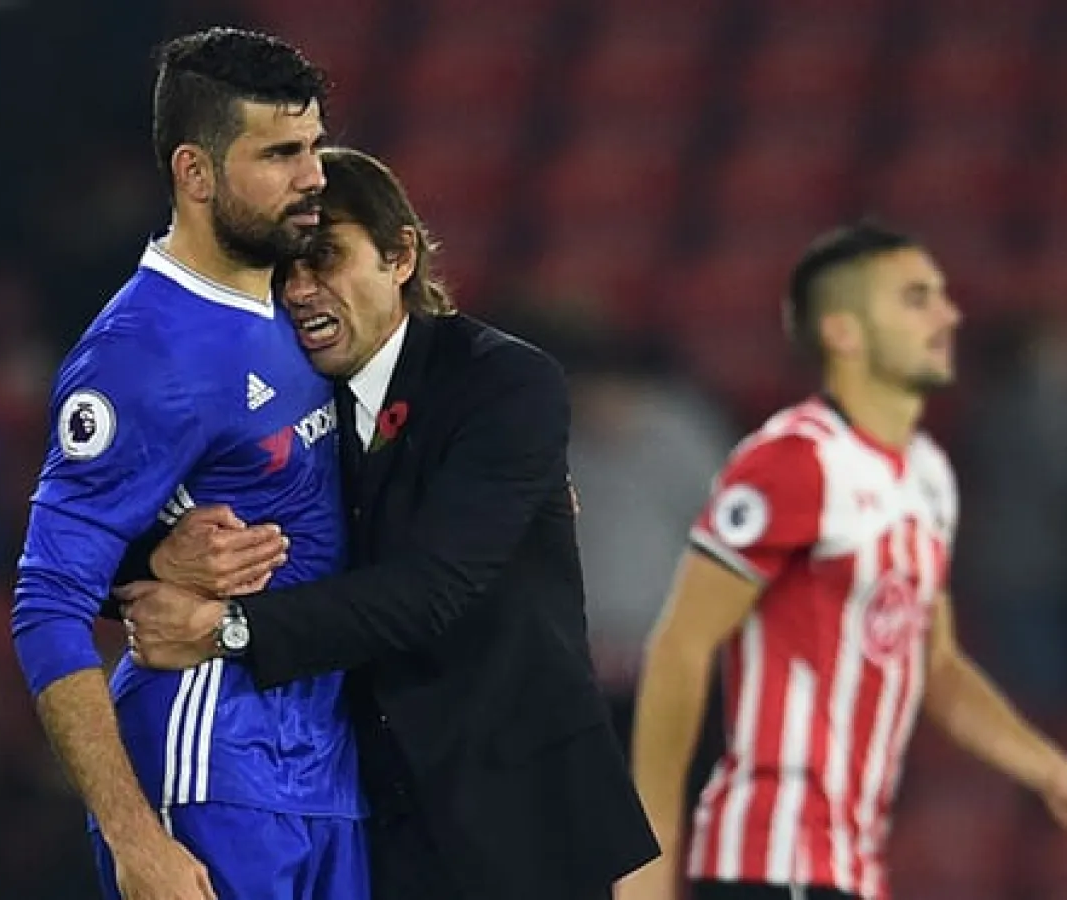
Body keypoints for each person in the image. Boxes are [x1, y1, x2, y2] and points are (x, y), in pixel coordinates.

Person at [115, 146, 661, 900]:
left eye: (325, 258)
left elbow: (431, 588)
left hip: (516, 816)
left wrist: (227, 630)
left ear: (400, 256)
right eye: (283, 269)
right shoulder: (288, 404)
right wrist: (162, 560)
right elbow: (93, 542)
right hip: (378, 815)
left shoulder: (501, 382)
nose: (298, 290)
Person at [615, 222, 1067, 900]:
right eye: (916, 299)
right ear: (844, 332)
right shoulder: (792, 462)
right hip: (772, 858)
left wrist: (1055, 775)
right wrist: (650, 863)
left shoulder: (927, 476)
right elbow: (681, 648)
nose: (947, 316)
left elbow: (937, 668)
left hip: (849, 865)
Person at [9, 28, 368, 900]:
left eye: (313, 146)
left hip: (326, 769)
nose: (313, 176)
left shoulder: (305, 297)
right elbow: (47, 602)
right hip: (213, 768)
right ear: (195, 173)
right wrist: (137, 839)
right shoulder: (141, 356)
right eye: (279, 154)